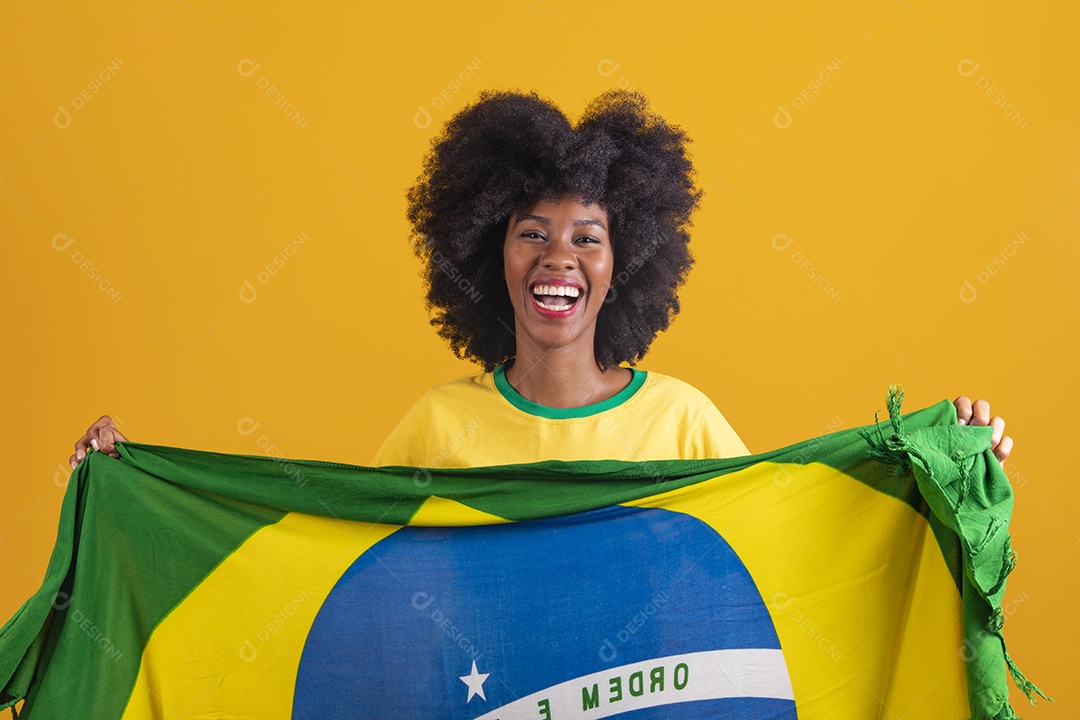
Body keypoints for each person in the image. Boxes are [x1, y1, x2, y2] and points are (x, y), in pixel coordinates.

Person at [69, 90, 1014, 469]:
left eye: (588, 237)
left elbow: (788, 544)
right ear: (490, 255)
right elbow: (335, 554)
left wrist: (945, 462)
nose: (559, 255)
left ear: (623, 264)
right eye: (532, 233)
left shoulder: (684, 424)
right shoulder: (438, 427)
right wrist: (137, 484)